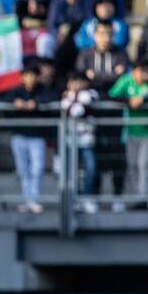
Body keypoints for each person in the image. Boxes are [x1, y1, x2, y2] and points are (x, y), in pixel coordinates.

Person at [110, 62, 148, 211]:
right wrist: (129, 102)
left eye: (147, 72)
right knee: (133, 165)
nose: (144, 75)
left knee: (145, 164)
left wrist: (144, 100)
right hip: (131, 132)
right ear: (134, 71)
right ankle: (138, 196)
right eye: (141, 71)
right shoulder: (126, 80)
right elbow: (112, 95)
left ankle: (144, 198)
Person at [2, 62, 56, 213]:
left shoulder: (44, 90)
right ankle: (27, 200)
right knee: (23, 169)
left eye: (33, 75)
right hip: (19, 135)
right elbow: (3, 102)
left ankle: (34, 199)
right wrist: (16, 103)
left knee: (37, 169)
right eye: (27, 75)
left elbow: (52, 99)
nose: (30, 79)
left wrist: (36, 104)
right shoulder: (16, 91)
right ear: (22, 77)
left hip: (37, 136)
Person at [62, 75, 101, 212]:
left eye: (80, 82)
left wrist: (74, 99)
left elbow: (83, 107)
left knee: (91, 168)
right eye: (74, 81)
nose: (77, 85)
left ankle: (87, 198)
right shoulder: (66, 97)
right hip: (70, 141)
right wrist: (72, 100)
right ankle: (74, 199)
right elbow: (72, 110)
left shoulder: (90, 94)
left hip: (87, 140)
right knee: (71, 172)